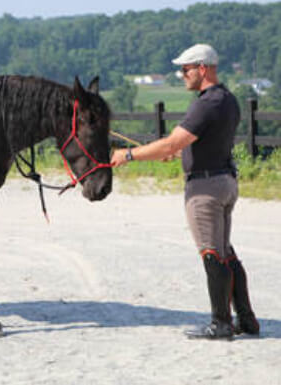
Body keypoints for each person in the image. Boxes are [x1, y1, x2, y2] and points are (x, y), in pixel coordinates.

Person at [111, 43, 260, 340]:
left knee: (211, 254)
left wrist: (127, 155)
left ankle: (221, 323)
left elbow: (170, 143)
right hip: (224, 181)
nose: (182, 75)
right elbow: (204, 143)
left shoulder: (206, 103)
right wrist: (182, 154)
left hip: (205, 188)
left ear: (202, 68)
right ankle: (246, 319)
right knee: (226, 253)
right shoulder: (228, 100)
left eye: (185, 69)